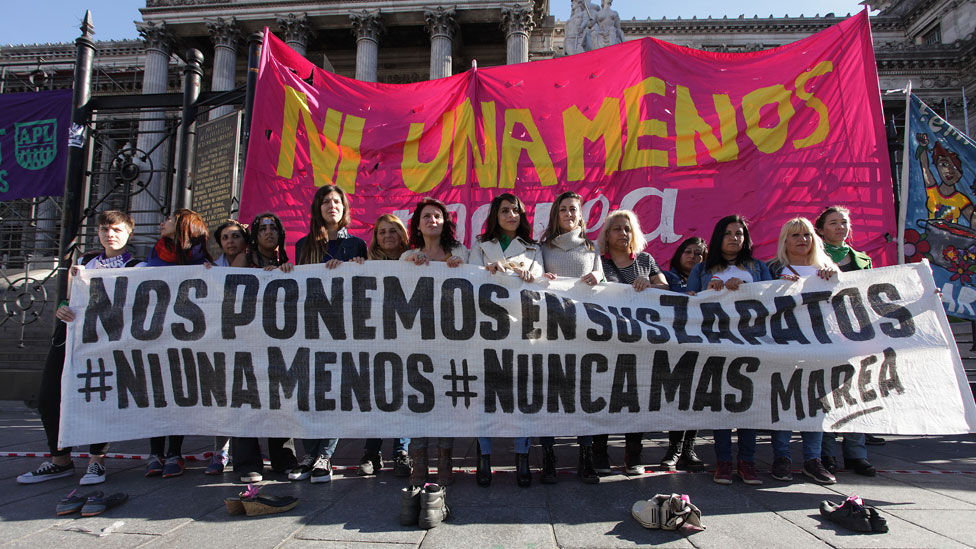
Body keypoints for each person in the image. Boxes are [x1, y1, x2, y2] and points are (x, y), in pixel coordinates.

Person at [17, 211, 141, 486]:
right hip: (71, 335)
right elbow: (70, 298)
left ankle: (97, 460)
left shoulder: (138, 266)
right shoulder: (85, 262)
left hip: (108, 339)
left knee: (101, 395)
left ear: (129, 233)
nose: (110, 234)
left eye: (117, 229)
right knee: (49, 396)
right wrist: (63, 307)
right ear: (97, 232)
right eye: (105, 229)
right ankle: (60, 459)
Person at [687, 214, 771, 486]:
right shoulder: (702, 270)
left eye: (739, 233)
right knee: (720, 405)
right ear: (718, 237)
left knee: (748, 405)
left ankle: (747, 462)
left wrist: (748, 289)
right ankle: (723, 462)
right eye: (728, 233)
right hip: (715, 345)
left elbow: (772, 299)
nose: (734, 238)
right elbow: (687, 302)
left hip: (751, 343)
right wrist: (707, 291)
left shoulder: (758, 267)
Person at [291, 185, 366, 483]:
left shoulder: (357, 245)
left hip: (343, 329)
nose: (331, 206)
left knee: (335, 391)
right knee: (309, 391)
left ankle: (326, 455)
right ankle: (309, 454)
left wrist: (355, 267)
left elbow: (363, 287)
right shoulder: (303, 245)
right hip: (311, 328)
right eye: (326, 201)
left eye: (337, 201)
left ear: (344, 208)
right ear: (317, 208)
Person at [469, 193, 541, 487]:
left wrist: (529, 275)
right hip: (487, 329)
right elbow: (469, 280)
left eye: (516, 211)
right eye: (505, 211)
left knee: (521, 395)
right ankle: (483, 457)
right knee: (485, 397)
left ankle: (522, 457)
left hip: (521, 329)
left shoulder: (534, 248)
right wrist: (485, 272)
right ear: (495, 216)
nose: (511, 215)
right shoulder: (480, 246)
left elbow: (542, 282)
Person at [594, 210, 669, 476]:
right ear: (607, 235)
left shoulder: (645, 260)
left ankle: (633, 454)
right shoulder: (597, 261)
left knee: (636, 398)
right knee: (602, 397)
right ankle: (599, 453)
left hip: (640, 343)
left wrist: (649, 284)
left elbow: (665, 287)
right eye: (617, 229)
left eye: (627, 229)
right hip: (606, 343)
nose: (623, 233)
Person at [227, 213, 300, 483]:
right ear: (255, 236)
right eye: (263, 229)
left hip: (278, 342)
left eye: (273, 228)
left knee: (280, 398)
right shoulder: (244, 260)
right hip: (247, 341)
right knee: (246, 398)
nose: (269, 233)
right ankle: (247, 463)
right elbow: (230, 293)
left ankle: (283, 459)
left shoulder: (285, 263)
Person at [537, 191, 604, 484]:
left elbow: (603, 279)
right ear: (556, 214)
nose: (568, 214)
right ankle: (548, 457)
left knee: (583, 395)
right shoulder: (543, 248)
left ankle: (586, 457)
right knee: (550, 394)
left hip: (583, 331)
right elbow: (534, 276)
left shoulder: (592, 247)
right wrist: (542, 278)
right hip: (550, 331)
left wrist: (599, 277)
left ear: (580, 214)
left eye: (573, 209)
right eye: (563, 209)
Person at [766, 217, 838, 485]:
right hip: (784, 346)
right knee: (783, 402)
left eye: (806, 234)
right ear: (785, 240)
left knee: (815, 404)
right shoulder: (773, 269)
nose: (802, 240)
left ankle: (813, 459)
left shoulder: (827, 269)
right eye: (795, 235)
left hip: (819, 348)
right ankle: (782, 458)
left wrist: (834, 278)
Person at [401, 198, 468, 488]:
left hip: (452, 339)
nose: (432, 220)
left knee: (446, 400)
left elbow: (474, 287)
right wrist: (409, 266)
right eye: (426, 216)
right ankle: (418, 463)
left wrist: (461, 268)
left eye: (437, 216)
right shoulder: (407, 256)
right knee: (419, 398)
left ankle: (444, 462)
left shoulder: (461, 252)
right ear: (418, 225)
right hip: (417, 339)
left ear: (445, 222)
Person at [144, 208, 213, 478]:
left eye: (170, 220)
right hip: (155, 335)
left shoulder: (202, 261)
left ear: (184, 225)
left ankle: (174, 452)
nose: (163, 223)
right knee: (157, 393)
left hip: (185, 338)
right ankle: (155, 452)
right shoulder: (155, 254)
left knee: (179, 393)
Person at [814, 205, 878, 476]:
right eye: (833, 223)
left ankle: (856, 454)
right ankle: (826, 452)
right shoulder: (813, 257)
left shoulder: (863, 259)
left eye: (844, 222)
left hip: (856, 333)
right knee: (826, 394)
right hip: (824, 333)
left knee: (856, 392)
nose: (840, 227)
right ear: (820, 230)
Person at [359, 214, 414, 477]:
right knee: (377, 395)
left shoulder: (415, 260)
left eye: (393, 230)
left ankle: (401, 451)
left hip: (408, 337)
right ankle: (372, 452)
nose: (387, 235)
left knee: (404, 394)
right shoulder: (366, 264)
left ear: (402, 235)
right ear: (376, 238)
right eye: (382, 231)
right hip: (377, 338)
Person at [658, 236, 708, 472]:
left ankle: (689, 448)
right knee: (678, 397)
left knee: (696, 398)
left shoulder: (709, 279)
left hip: (704, 344)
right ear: (679, 254)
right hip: (674, 345)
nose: (692, 257)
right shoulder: (667, 278)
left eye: (698, 254)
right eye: (687, 252)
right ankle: (674, 448)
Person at [204, 219, 250, 475]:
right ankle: (220, 449)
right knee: (223, 395)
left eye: (235, 236)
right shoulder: (209, 268)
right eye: (225, 237)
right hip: (220, 339)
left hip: (249, 338)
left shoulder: (254, 263)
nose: (230, 241)